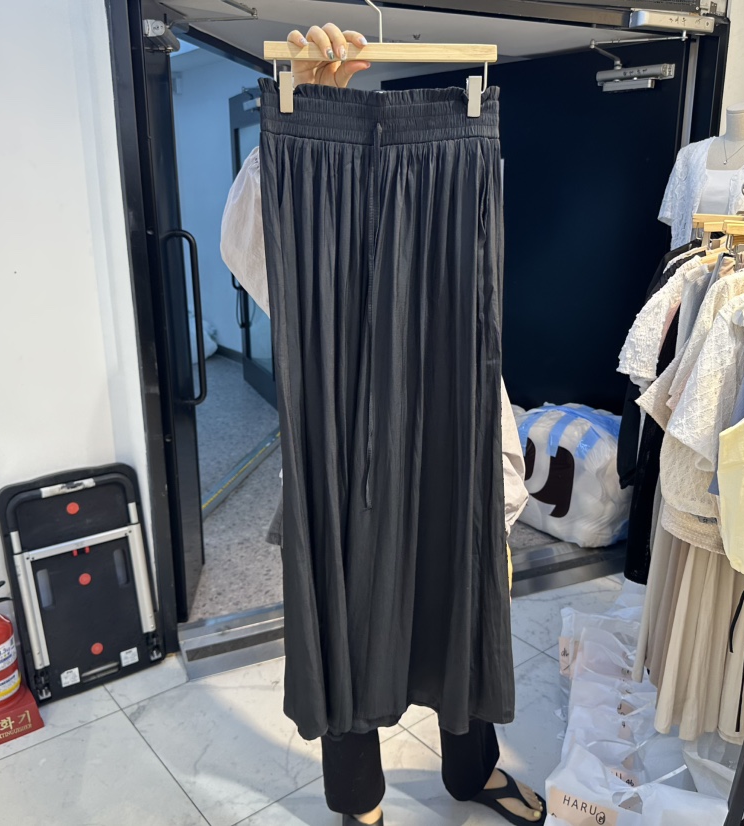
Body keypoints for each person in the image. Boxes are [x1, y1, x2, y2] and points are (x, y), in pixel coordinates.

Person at [221, 23, 546, 826]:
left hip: (450, 409)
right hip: (341, 417)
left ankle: (471, 771)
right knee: (348, 587)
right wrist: (297, 122)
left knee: (460, 582)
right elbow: (250, 248)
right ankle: (358, 799)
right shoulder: (305, 202)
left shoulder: (457, 177)